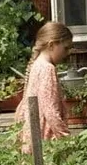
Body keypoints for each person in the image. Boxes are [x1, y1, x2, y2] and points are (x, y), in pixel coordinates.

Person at [14, 21, 73, 155]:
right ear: (52, 45)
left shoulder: (36, 65)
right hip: (45, 136)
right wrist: (65, 137)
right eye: (66, 48)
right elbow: (50, 110)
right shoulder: (47, 69)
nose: (67, 53)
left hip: (33, 134)